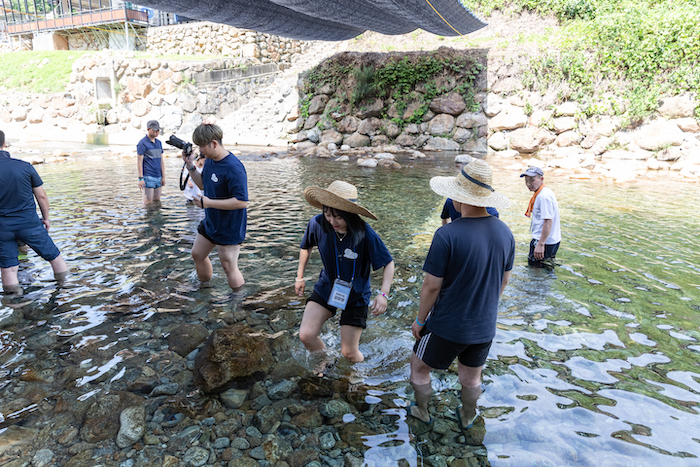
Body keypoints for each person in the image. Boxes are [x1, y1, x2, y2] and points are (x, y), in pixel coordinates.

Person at [409, 159, 514, 429]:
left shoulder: (446, 235)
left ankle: (422, 412)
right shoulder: (506, 233)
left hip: (447, 325)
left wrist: (420, 321)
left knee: (419, 368)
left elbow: (431, 285)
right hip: (483, 327)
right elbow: (504, 280)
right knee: (471, 379)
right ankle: (468, 417)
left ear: (458, 198)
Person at [295, 180, 395, 367]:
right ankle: (326, 359)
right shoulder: (317, 224)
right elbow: (305, 247)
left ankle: (359, 375)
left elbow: (388, 263)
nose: (332, 221)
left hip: (356, 295)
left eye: (338, 218)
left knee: (348, 352)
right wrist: (300, 277)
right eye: (327, 214)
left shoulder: (366, 234)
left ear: (350, 215)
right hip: (327, 287)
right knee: (306, 336)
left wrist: (383, 295)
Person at [0, 130, 68, 294]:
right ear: (4, 143)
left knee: (8, 269)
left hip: (2, 227)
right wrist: (46, 218)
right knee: (54, 257)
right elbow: (42, 196)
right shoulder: (24, 167)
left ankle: (16, 305)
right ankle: (66, 291)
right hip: (29, 223)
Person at [182, 123, 248, 290]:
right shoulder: (210, 161)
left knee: (228, 266)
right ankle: (205, 289)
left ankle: (237, 302)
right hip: (212, 221)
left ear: (214, 143)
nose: (199, 150)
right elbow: (203, 185)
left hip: (229, 225)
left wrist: (208, 203)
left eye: (201, 146)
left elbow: (242, 202)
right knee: (197, 254)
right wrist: (190, 165)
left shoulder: (234, 168)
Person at [521, 166, 561, 267]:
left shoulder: (543, 197)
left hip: (544, 242)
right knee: (545, 269)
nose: (528, 184)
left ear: (541, 179)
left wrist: (541, 244)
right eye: (526, 181)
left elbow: (548, 221)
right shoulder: (545, 192)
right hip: (550, 240)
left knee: (535, 270)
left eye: (532, 180)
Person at [137, 120, 166, 205]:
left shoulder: (159, 143)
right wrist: (141, 178)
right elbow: (139, 162)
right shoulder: (142, 143)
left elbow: (161, 161)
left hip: (158, 176)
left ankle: (156, 218)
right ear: (148, 129)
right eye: (154, 130)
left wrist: (163, 177)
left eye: (158, 130)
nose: (157, 132)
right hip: (148, 176)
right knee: (148, 202)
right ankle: (147, 218)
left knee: (157, 200)